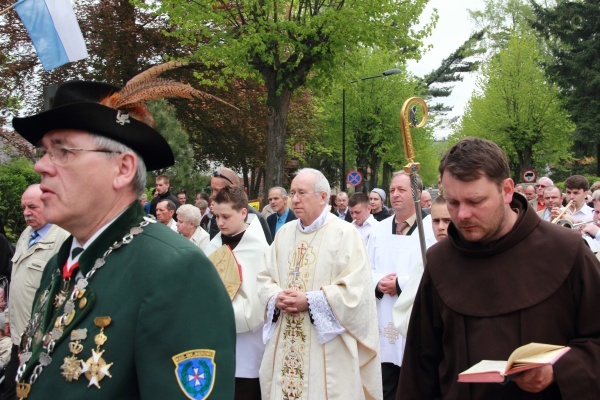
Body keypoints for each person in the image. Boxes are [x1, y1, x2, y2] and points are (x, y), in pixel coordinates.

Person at [12, 77, 235, 398]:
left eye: (62, 149)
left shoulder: (174, 270)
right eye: (45, 151)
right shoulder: (59, 264)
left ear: (123, 168)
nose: (40, 165)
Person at [398, 137, 600, 399]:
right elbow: (419, 369)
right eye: (453, 203)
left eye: (475, 201)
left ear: (506, 190)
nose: (461, 216)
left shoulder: (566, 250)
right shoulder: (439, 262)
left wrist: (558, 371)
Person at [257, 168, 382, 400]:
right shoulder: (283, 234)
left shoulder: (345, 234)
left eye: (302, 193)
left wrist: (311, 300)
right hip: (286, 341)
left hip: (327, 348)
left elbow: (357, 291)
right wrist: (275, 296)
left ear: (323, 197)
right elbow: (265, 277)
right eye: (292, 192)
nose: (294, 199)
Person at [367, 171, 434, 400]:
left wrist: (400, 283)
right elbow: (366, 266)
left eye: (402, 190)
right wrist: (379, 283)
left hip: (414, 317)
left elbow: (431, 271)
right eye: (392, 189)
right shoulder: (378, 229)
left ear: (418, 194)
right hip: (382, 314)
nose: (395, 195)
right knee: (386, 385)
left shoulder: (430, 229)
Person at [1, 184, 69, 400]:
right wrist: (9, 317)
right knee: (13, 391)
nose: (26, 213)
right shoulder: (27, 233)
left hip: (42, 340)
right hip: (18, 336)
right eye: (23, 208)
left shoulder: (64, 238)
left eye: (32, 207)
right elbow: (18, 279)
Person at [204, 186, 269, 400]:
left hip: (248, 338)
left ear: (243, 213)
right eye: (216, 217)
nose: (220, 222)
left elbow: (261, 295)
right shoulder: (212, 246)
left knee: (244, 390)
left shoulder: (260, 249)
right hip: (215, 333)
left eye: (226, 216)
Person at [392, 195, 450, 338]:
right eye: (436, 221)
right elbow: (405, 313)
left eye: (447, 221)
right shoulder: (428, 259)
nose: (441, 227)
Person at [209, 168, 272, 244]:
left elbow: (267, 251)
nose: (213, 194)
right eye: (212, 190)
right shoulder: (215, 217)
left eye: (217, 190)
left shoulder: (256, 219)